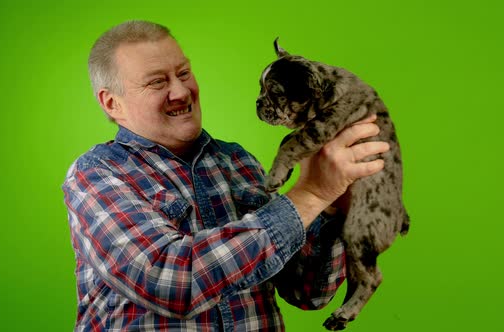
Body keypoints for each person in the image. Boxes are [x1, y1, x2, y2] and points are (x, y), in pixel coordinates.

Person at [62, 20, 390, 331]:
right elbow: (176, 283)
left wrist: (332, 205)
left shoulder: (237, 161)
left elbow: (308, 293)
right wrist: (310, 195)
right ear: (111, 103)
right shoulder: (97, 174)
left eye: (183, 73)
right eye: (157, 82)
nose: (181, 91)